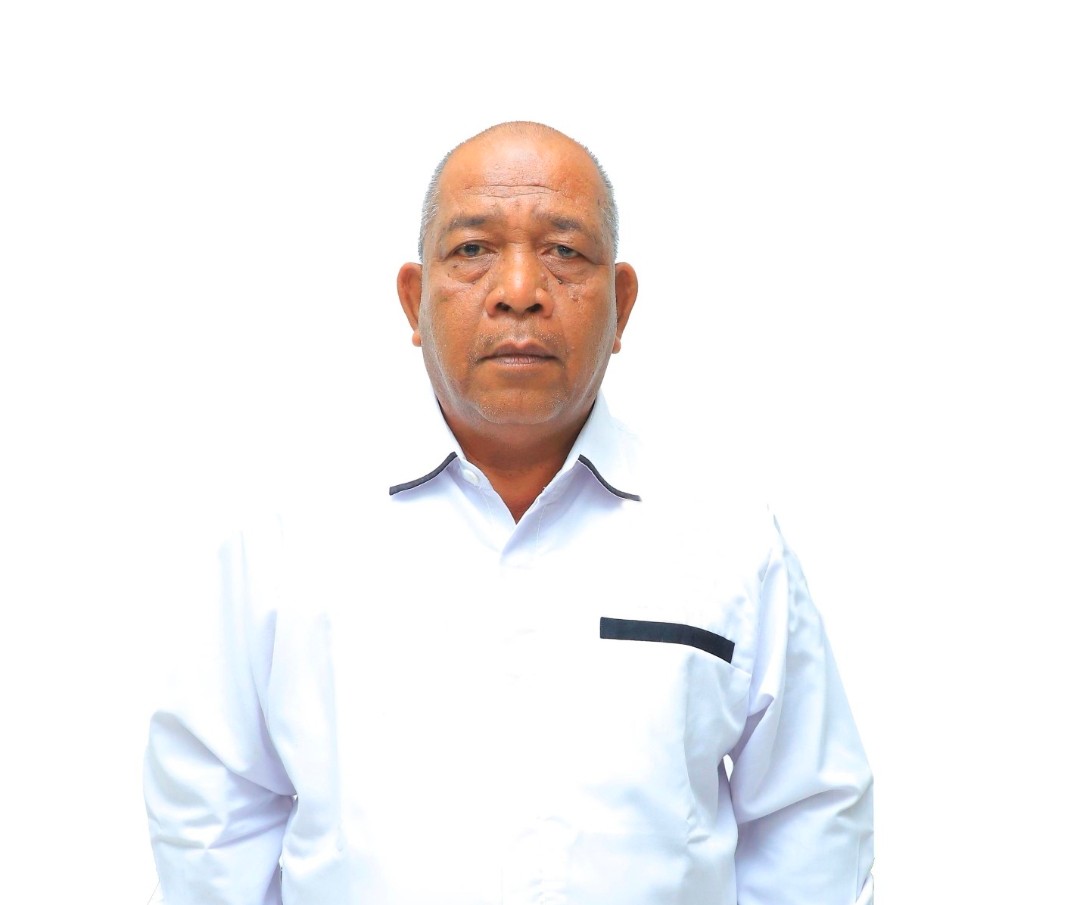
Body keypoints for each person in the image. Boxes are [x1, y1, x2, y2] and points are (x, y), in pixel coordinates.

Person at [144, 121, 874, 905]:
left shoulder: (727, 541)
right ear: (414, 300)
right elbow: (212, 810)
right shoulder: (291, 538)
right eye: (473, 249)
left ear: (622, 304)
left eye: (564, 251)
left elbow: (810, 814)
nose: (520, 288)